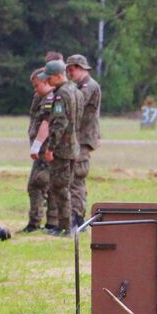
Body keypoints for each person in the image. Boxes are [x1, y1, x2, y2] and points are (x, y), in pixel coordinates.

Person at [37, 60, 81, 236]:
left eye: (49, 78)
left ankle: (65, 227)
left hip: (62, 149)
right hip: (73, 146)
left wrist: (50, 148)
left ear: (58, 76)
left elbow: (59, 123)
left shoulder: (61, 94)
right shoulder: (75, 91)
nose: (47, 81)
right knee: (65, 187)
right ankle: (65, 225)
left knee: (60, 188)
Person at [66, 54, 100, 228]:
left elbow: (76, 104)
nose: (69, 73)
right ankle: (73, 215)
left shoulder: (89, 86)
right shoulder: (78, 86)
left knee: (77, 178)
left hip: (82, 139)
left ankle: (77, 217)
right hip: (77, 138)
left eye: (71, 70)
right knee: (72, 178)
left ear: (80, 68)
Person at [21, 68, 53, 233]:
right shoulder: (47, 97)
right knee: (44, 185)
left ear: (46, 82)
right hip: (45, 150)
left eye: (36, 86)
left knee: (39, 185)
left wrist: (38, 145)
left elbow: (46, 124)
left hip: (46, 150)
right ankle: (47, 223)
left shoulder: (50, 99)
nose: (35, 89)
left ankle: (42, 223)